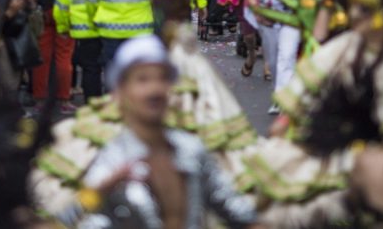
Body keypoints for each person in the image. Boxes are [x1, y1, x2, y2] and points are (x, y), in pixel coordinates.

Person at [55, 35, 259, 228]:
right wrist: (100, 192)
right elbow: (74, 219)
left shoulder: (191, 149)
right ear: (119, 93)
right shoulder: (112, 163)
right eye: (142, 80)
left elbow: (238, 212)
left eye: (162, 79)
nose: (154, 89)